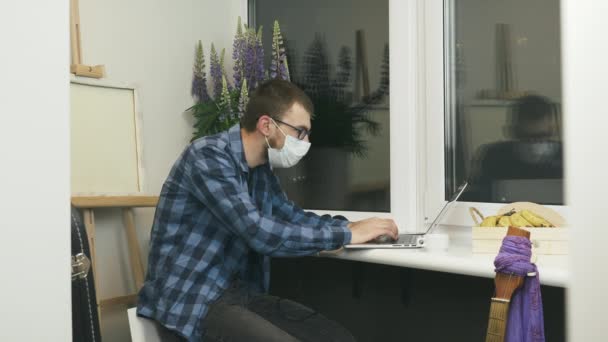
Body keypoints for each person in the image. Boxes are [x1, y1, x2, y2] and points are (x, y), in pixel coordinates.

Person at [137, 79, 398, 341]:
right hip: (192, 299)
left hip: (238, 295)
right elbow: (258, 232)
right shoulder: (208, 156)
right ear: (266, 125)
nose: (306, 142)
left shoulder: (260, 171)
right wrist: (347, 236)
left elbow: (291, 216)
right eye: (300, 131)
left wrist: (349, 227)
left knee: (337, 337)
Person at [464, 94, 563, 202]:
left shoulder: (567, 158)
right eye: (526, 137)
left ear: (554, 131)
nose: (534, 144)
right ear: (510, 131)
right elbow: (475, 199)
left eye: (542, 136)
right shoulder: (494, 157)